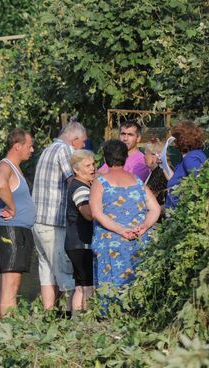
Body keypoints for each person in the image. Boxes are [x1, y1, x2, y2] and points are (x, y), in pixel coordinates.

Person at [90, 140, 160, 307]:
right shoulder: (137, 182)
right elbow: (155, 208)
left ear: (105, 158)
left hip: (111, 242)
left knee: (110, 285)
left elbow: (96, 213)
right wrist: (144, 226)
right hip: (138, 240)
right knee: (136, 282)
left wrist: (121, 230)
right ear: (126, 157)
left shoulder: (100, 182)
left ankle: (109, 320)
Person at [32, 121, 87, 311]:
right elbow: (73, 179)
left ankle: (49, 315)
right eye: (83, 143)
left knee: (46, 271)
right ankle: (69, 316)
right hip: (53, 222)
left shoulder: (48, 149)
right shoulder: (64, 150)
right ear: (75, 139)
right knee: (64, 271)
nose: (84, 147)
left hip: (38, 222)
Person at [0, 128, 36, 317]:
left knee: (8, 285)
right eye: (29, 146)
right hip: (11, 231)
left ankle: (3, 328)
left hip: (15, 230)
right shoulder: (5, 166)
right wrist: (11, 207)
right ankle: (8, 331)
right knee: (11, 286)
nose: (32, 150)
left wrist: (1, 205)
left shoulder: (11, 167)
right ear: (18, 146)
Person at [64, 150, 96, 315]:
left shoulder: (77, 185)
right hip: (81, 243)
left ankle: (74, 322)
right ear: (76, 170)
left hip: (74, 243)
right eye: (87, 165)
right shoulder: (81, 189)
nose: (92, 168)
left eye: (93, 164)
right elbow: (88, 214)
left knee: (79, 286)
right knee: (87, 287)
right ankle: (84, 322)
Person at [166, 120, 207, 209]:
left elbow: (200, 183)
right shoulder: (193, 155)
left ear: (180, 139)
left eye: (175, 137)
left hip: (182, 213)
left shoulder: (190, 158)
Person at [144, 141, 171, 206]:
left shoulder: (161, 172)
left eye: (146, 154)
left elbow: (147, 195)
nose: (144, 157)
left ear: (154, 156)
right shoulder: (157, 171)